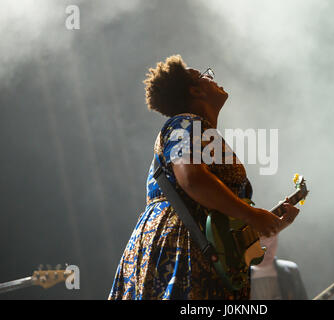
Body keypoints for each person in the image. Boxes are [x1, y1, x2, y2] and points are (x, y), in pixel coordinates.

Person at [108, 55, 300, 300]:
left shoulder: (196, 128)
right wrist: (252, 214)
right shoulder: (186, 123)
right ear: (196, 90)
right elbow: (192, 180)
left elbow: (219, 227)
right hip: (183, 245)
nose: (212, 77)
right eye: (204, 75)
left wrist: (267, 225)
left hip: (190, 244)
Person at [251, 235, 308, 300]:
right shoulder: (240, 278)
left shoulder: (291, 270)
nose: (268, 252)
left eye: (272, 245)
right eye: (263, 247)